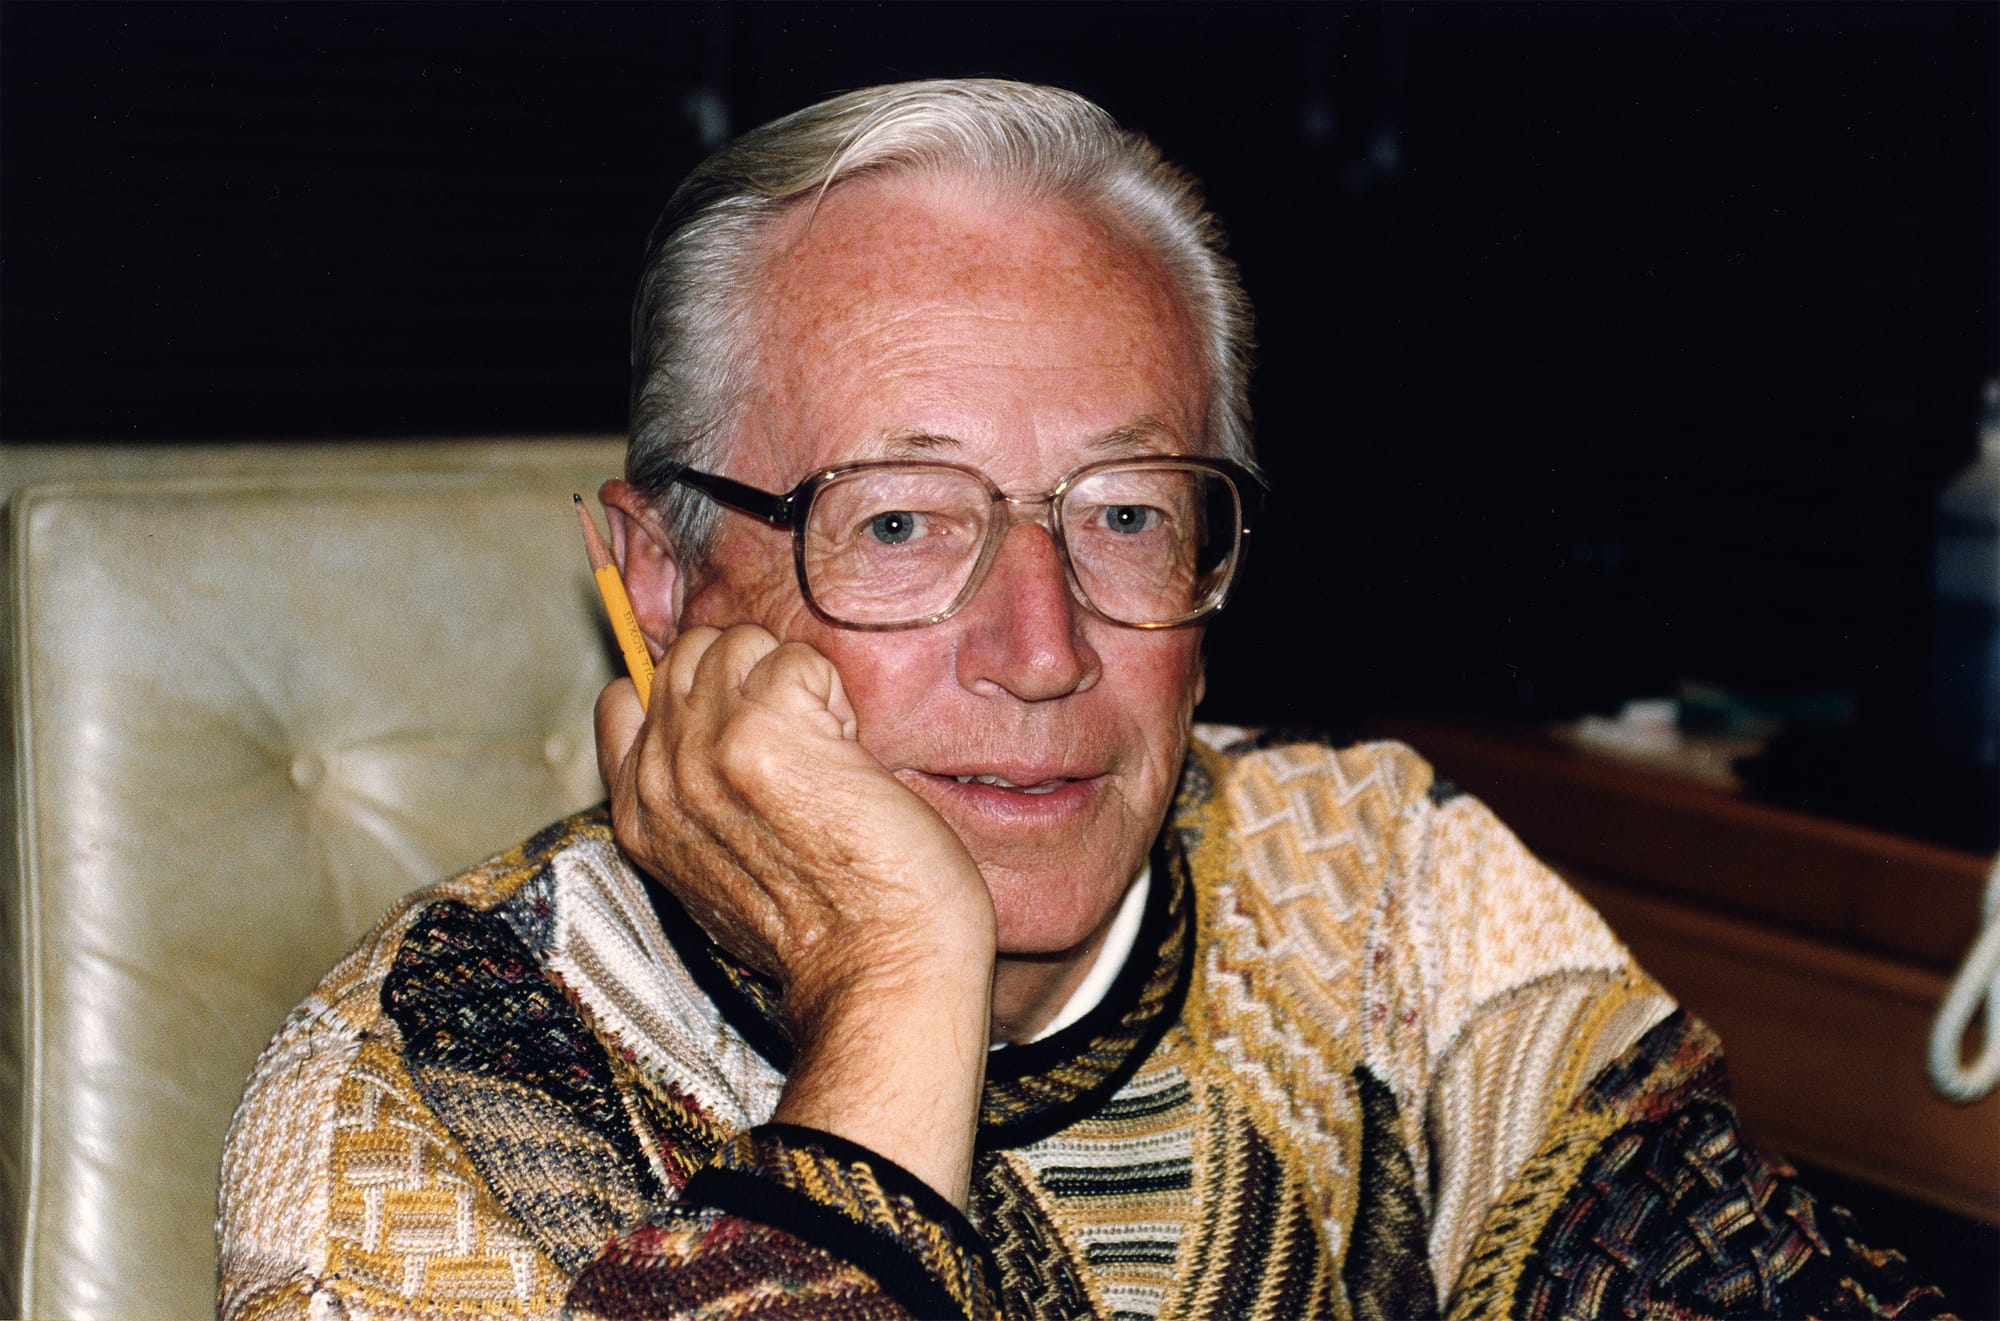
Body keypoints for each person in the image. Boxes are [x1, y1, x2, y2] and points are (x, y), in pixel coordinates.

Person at [218, 79, 1947, 1320]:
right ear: (659, 588)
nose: (1041, 647)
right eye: (900, 523)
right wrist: (896, 981)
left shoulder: (1380, 890)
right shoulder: (422, 1083)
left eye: (1126, 515)